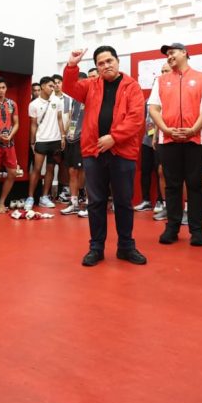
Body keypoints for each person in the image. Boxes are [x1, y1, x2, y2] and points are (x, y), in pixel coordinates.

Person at [62, 46, 146, 266]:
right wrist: (72, 65)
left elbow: (136, 119)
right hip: (94, 152)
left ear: (117, 61)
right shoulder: (90, 86)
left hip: (122, 152)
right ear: (97, 67)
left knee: (124, 202)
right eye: (101, 63)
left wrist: (113, 137)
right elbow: (69, 87)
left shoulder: (132, 87)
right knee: (96, 202)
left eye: (109, 61)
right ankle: (96, 248)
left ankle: (126, 247)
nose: (106, 66)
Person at [148, 42, 202, 246]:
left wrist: (194, 129)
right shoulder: (160, 81)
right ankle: (172, 228)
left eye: (172, 52)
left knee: (195, 185)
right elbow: (153, 108)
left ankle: (197, 231)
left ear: (185, 53)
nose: (169, 56)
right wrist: (165, 129)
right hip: (168, 140)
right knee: (172, 186)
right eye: (167, 54)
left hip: (195, 140)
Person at [136, 63, 172, 214]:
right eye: (162, 71)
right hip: (147, 139)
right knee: (145, 170)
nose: (163, 73)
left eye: (166, 70)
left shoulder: (170, 97)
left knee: (160, 171)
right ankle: (146, 200)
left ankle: (160, 201)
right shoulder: (148, 101)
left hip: (161, 139)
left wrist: (156, 136)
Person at [27, 76, 65, 210]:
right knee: (36, 170)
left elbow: (60, 119)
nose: (53, 88)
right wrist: (32, 141)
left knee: (50, 169)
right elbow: (33, 125)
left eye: (54, 86)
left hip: (55, 140)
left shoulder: (57, 101)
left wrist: (63, 136)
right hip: (41, 140)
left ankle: (44, 197)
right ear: (42, 87)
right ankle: (30, 197)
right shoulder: (34, 104)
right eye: (50, 85)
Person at [0, 77, 21, 214]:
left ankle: (2, 201)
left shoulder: (12, 104)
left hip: (9, 144)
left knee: (12, 172)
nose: (1, 90)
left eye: (3, 87)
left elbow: (17, 123)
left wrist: (10, 136)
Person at [61, 72, 88, 216]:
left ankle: (90, 204)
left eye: (80, 83)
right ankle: (74, 202)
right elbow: (72, 116)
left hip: (84, 139)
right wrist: (65, 134)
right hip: (72, 138)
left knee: (88, 172)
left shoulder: (91, 97)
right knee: (71, 171)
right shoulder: (74, 99)